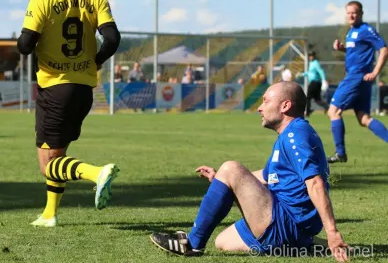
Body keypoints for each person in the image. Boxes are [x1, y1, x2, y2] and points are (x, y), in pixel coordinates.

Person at [149, 81, 350, 261]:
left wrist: (332, 231)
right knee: (223, 241)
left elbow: (315, 183)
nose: (259, 108)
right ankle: (300, 245)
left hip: (286, 223)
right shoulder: (291, 133)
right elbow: (265, 176)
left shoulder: (296, 136)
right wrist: (222, 179)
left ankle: (191, 244)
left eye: (265, 101)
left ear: (285, 106)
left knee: (231, 167)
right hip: (286, 222)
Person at [17, 0, 121, 227]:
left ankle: (96, 173)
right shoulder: (95, 0)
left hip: (55, 88)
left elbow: (25, 46)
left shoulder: (42, 0)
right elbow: (112, 39)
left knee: (47, 164)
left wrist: (31, 40)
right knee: (56, 155)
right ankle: (50, 213)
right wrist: (95, 60)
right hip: (83, 89)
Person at [327, 1, 388, 164]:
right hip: (359, 79)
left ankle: (340, 153)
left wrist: (375, 72)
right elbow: (357, 51)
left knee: (333, 112)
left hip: (355, 77)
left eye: (354, 13)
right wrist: (342, 49)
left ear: (361, 13)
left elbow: (384, 49)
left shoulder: (366, 30)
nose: (351, 16)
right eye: (348, 13)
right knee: (364, 119)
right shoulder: (352, 32)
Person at [297, 52, 329, 117]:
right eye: (309, 56)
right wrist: (302, 74)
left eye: (311, 56)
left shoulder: (315, 63)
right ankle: (327, 107)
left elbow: (320, 71)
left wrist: (324, 80)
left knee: (308, 97)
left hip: (315, 82)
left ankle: (308, 112)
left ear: (314, 56)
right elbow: (310, 72)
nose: (310, 57)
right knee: (317, 99)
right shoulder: (311, 63)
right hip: (314, 82)